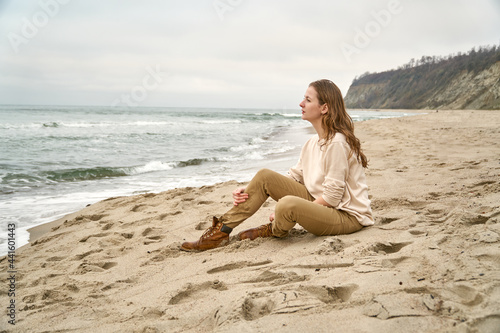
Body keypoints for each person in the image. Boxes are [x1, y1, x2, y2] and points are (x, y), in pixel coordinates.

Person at [180, 79, 374, 252]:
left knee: (287, 204)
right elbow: (295, 177)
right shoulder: (312, 142)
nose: (301, 103)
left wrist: (286, 211)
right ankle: (219, 232)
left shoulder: (337, 143)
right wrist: (248, 190)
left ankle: (275, 230)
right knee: (264, 176)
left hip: (346, 216)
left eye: (307, 99)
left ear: (324, 108)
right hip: (320, 203)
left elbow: (332, 197)